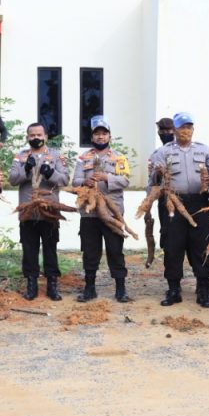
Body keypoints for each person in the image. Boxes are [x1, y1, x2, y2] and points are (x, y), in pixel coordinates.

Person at [151, 112, 209, 307]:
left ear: (193, 130)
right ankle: (174, 289)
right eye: (182, 127)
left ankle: (203, 289)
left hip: (199, 203)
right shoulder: (163, 152)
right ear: (174, 130)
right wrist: (158, 174)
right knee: (173, 246)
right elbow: (153, 180)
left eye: (189, 127)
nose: (185, 131)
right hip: (173, 201)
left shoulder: (204, 150)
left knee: (200, 245)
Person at [72, 115, 132, 302]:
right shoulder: (83, 158)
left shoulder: (119, 158)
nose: (100, 137)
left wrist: (108, 178)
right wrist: (85, 181)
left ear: (109, 136)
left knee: (115, 249)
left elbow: (125, 180)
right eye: (97, 134)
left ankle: (120, 289)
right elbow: (75, 182)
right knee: (90, 250)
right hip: (89, 211)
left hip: (112, 210)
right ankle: (90, 288)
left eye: (103, 134)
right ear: (92, 138)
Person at [9, 122, 69, 300]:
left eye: (39, 135)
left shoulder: (56, 156)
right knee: (29, 249)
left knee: (50, 248)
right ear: (27, 137)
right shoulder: (20, 157)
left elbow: (64, 180)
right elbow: (12, 179)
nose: (36, 138)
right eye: (32, 135)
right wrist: (26, 169)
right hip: (28, 210)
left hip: (49, 210)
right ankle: (31, 284)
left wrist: (51, 174)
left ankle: (52, 285)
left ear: (45, 137)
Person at [147, 117, 177, 251]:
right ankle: (171, 268)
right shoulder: (156, 154)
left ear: (175, 130)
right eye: (162, 130)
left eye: (168, 130)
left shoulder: (184, 150)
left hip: (185, 198)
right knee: (167, 234)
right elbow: (152, 182)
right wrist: (147, 204)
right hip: (164, 199)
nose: (165, 133)